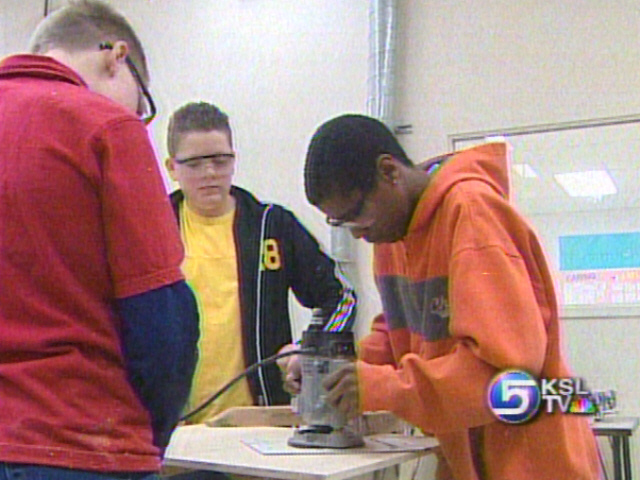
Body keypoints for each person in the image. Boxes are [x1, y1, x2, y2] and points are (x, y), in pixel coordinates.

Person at [300, 114, 602, 480]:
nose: (358, 233)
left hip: (533, 462)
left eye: (357, 215)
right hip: (467, 457)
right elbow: (402, 329)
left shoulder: (472, 214)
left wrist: (383, 388)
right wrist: (333, 368)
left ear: (389, 172)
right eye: (341, 224)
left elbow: (505, 377)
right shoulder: (393, 234)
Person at [0, 2, 199, 479]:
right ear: (117, 58)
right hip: (79, 444)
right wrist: (151, 434)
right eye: (141, 102)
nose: (137, 116)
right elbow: (163, 323)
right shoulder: (107, 128)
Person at [164, 101, 357, 425]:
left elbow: (341, 297)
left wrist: (308, 349)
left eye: (219, 160)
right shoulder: (150, 231)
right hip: (173, 431)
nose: (209, 173)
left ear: (233, 160)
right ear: (172, 167)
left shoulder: (272, 226)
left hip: (260, 425)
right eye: (195, 163)